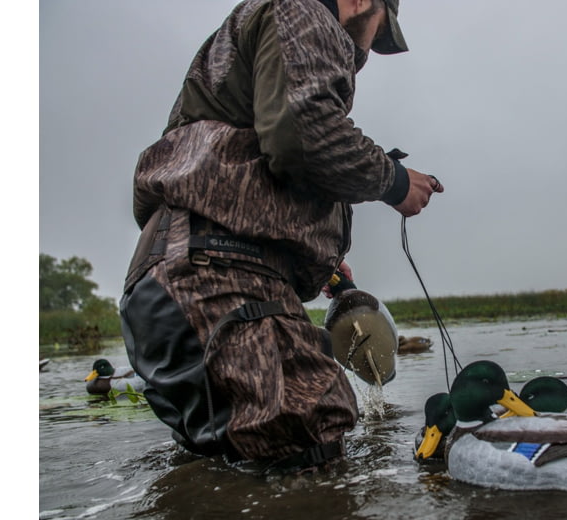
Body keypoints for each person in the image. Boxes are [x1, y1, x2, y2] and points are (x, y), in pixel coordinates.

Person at [119, 0, 442, 473]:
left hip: (185, 280)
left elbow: (245, 165)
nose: (367, 53)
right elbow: (302, 135)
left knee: (236, 477)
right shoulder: (304, 9)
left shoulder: (259, 32)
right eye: (378, 32)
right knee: (311, 453)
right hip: (219, 282)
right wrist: (395, 181)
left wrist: (307, 262)